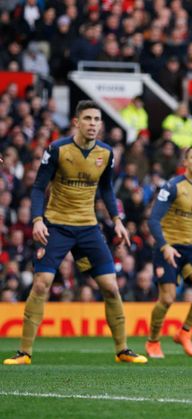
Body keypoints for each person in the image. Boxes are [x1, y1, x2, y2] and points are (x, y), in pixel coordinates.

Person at [3, 100, 147, 365]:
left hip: (88, 228)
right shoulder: (58, 149)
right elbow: (37, 187)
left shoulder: (106, 153)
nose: (93, 124)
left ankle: (123, 350)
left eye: (97, 119)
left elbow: (106, 190)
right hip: (57, 226)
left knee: (111, 287)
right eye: (88, 119)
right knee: (41, 284)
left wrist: (117, 219)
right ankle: (24, 352)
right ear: (76, 122)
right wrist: (37, 219)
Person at [145, 145, 192, 358]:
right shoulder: (173, 186)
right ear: (185, 162)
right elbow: (153, 219)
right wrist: (164, 246)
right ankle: (153, 341)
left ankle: (184, 332)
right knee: (167, 298)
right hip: (168, 245)